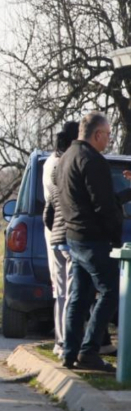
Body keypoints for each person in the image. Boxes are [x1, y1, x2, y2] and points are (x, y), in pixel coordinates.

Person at [58, 112, 122, 371]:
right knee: (112, 290)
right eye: (107, 135)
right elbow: (103, 206)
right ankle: (89, 350)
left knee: (79, 297)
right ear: (97, 134)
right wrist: (116, 240)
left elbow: (91, 198)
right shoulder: (93, 160)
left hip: (74, 237)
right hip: (93, 239)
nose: (109, 139)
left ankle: (69, 352)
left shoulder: (67, 157)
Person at [42, 121, 79, 359]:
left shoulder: (48, 162)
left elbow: (48, 206)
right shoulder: (65, 164)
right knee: (70, 291)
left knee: (60, 291)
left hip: (53, 230)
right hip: (66, 229)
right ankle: (66, 341)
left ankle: (60, 341)